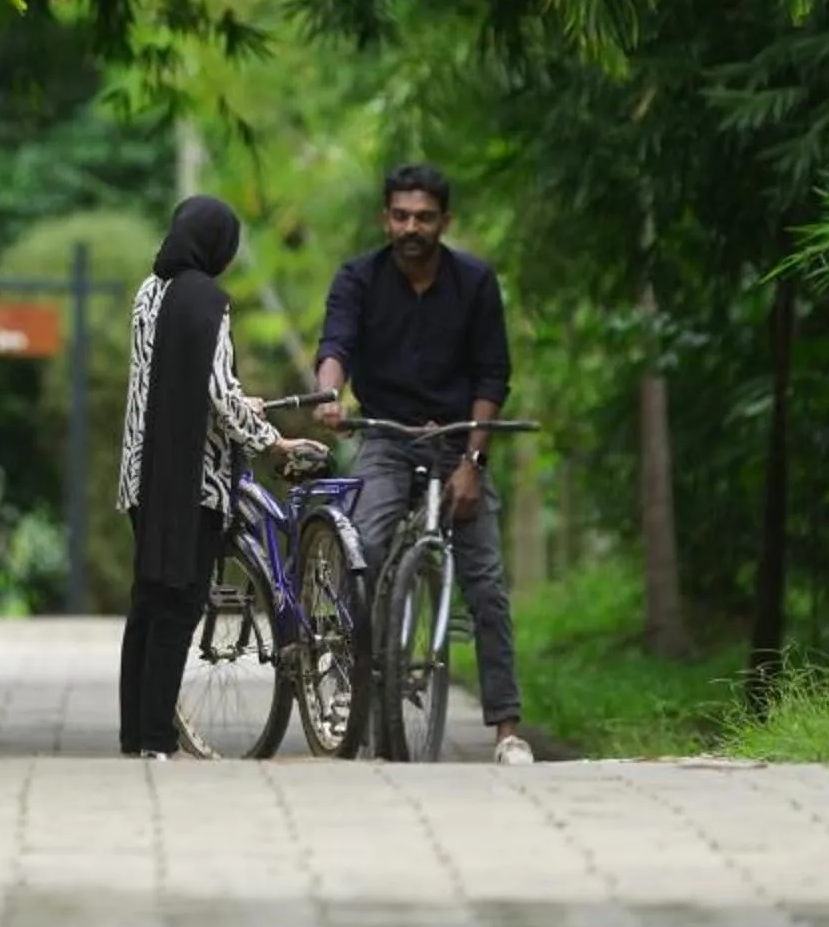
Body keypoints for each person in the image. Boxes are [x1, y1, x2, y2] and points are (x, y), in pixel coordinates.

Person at [310, 162, 533, 765]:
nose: (412, 227)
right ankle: (357, 684)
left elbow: (493, 374)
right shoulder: (358, 277)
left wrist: (474, 460)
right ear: (387, 219)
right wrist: (330, 394)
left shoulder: (475, 282)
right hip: (384, 436)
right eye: (402, 216)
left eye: (425, 217)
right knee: (364, 548)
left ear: (444, 222)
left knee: (485, 584)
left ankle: (507, 730)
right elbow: (336, 346)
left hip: (460, 439)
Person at [116, 194, 304, 758]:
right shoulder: (208, 302)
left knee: (148, 601)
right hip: (191, 481)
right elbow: (218, 395)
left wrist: (239, 401)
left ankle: (136, 735)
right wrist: (271, 440)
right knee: (179, 602)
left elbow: (174, 378)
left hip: (141, 475)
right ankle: (156, 741)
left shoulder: (149, 292)